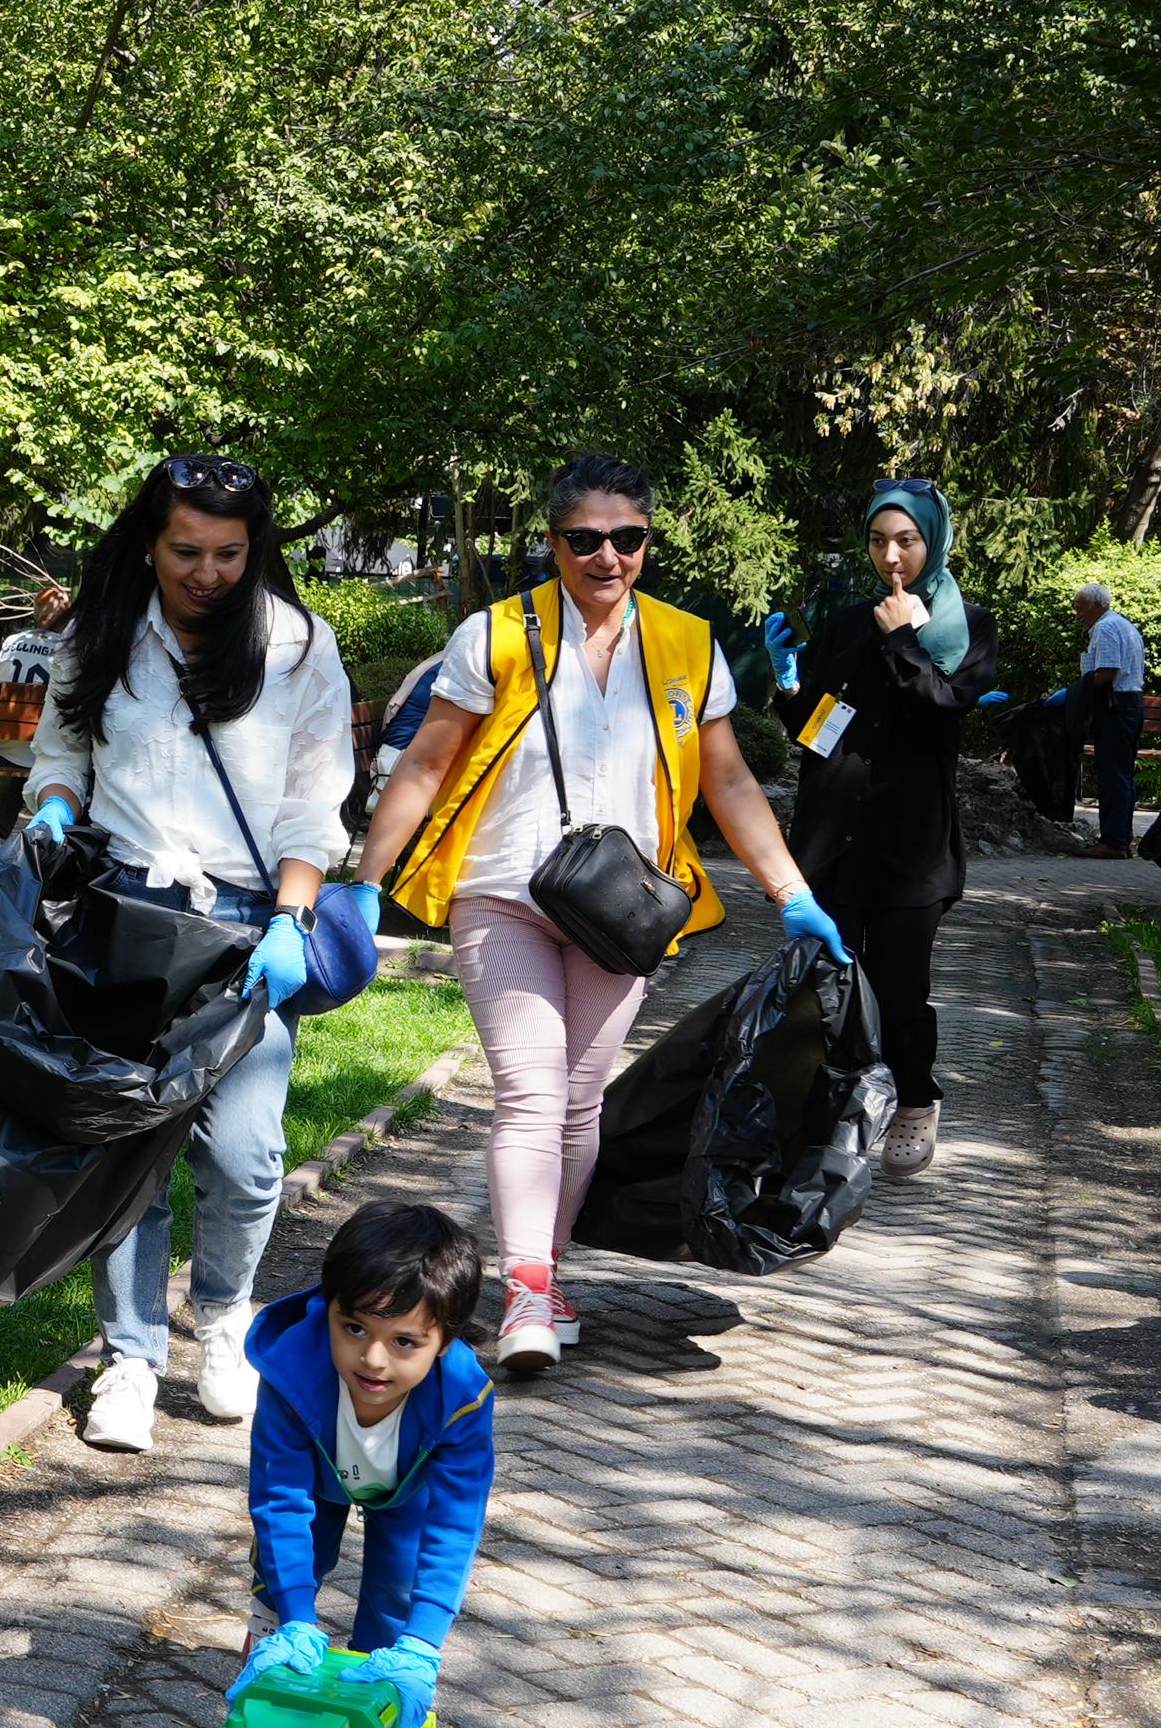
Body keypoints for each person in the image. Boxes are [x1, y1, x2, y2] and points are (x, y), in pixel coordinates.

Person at [354, 455, 846, 1378]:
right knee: (533, 1092)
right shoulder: (497, 633)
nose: (607, 556)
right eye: (585, 540)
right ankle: (527, 1292)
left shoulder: (687, 644)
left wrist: (793, 895)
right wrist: (359, 884)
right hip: (503, 889)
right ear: (554, 544)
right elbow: (425, 762)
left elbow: (729, 779)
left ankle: (551, 1270)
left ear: (648, 543)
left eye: (627, 538)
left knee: (582, 1103)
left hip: (624, 905)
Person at [17, 452, 364, 1444]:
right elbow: (60, 759)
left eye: (227, 552)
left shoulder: (296, 646)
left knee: (246, 1155)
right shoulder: (102, 635)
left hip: (248, 925)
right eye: (184, 551)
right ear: (147, 542)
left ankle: (223, 1319)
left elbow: (312, 806)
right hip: (118, 916)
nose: (206, 571)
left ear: (253, 549)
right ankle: (127, 1357)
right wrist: (49, 816)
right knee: (124, 1149)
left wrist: (292, 923)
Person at [234, 1201, 497, 1728]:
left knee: (396, 1597)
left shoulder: (462, 1400)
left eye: (405, 1342)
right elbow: (280, 1499)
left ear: (445, 1341)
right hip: (317, 1484)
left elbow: (453, 1525)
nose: (374, 1359)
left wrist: (423, 1645)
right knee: (284, 1579)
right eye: (353, 1328)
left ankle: (382, 1716)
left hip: (409, 1494)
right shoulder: (289, 1374)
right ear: (327, 1310)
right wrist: (297, 1617)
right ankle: (269, 1670)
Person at [781, 483, 997, 1180]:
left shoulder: (967, 628)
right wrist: (789, 687)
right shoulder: (848, 621)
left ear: (932, 541)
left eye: (906, 541)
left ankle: (915, 1097)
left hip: (911, 845)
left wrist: (904, 636)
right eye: (879, 542)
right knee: (828, 988)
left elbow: (940, 716)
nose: (892, 557)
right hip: (835, 836)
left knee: (900, 991)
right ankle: (836, 1111)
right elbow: (815, 732)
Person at [1069, 583, 1151, 858]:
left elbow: (1107, 672)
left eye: (1080, 608)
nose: (1078, 614)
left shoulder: (1105, 628)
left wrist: (1077, 689)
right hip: (1130, 705)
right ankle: (1120, 839)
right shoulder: (1123, 624)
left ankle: (1114, 842)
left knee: (1112, 775)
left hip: (1116, 707)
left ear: (1097, 605)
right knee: (1122, 775)